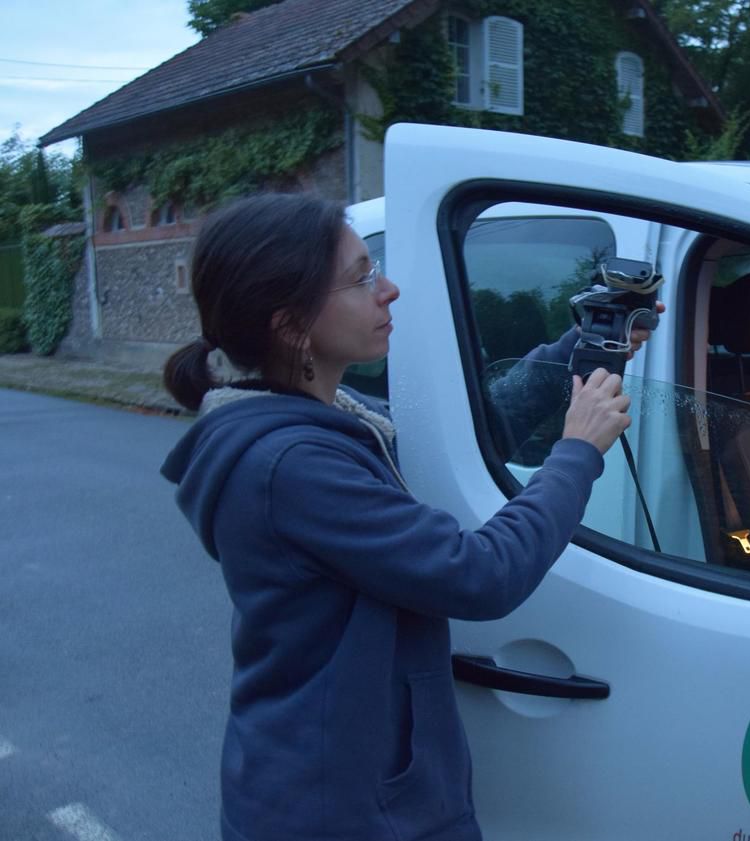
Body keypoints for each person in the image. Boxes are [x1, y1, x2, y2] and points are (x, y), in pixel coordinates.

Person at [160, 193, 653, 841]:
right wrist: (577, 451)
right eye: (363, 276)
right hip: (342, 811)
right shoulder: (292, 464)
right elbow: (477, 573)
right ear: (289, 324)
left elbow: (482, 427)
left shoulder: (329, 418)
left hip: (349, 790)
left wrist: (585, 345)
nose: (388, 289)